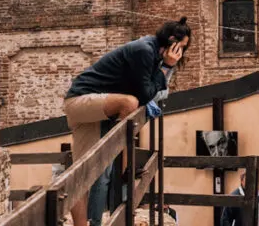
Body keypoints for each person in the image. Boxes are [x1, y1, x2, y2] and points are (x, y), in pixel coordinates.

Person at [63, 17, 191, 226]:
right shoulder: (145, 50)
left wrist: (164, 69)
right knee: (129, 103)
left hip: (97, 107)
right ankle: (124, 162)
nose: (181, 53)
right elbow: (145, 95)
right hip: (81, 101)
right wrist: (167, 67)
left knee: (80, 177)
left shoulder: (152, 54)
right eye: (181, 46)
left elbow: (156, 91)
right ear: (171, 40)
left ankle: (121, 163)